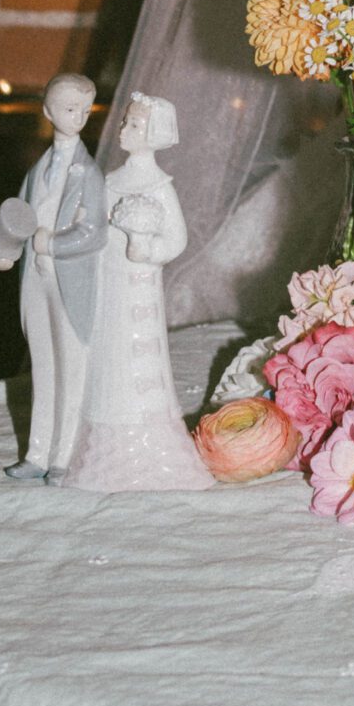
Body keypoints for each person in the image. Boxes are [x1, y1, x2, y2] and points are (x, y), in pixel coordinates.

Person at [63, 92, 213, 492]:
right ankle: (102, 450)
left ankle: (147, 448)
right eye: (126, 122)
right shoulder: (111, 180)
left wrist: (146, 248)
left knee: (139, 357)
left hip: (139, 287)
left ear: (153, 134)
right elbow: (94, 227)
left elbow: (177, 239)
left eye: (133, 124)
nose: (124, 129)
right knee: (108, 354)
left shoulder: (159, 186)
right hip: (109, 282)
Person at [0, 70, 108, 479]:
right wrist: (7, 255)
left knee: (72, 369)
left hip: (71, 283)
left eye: (85, 110)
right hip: (36, 280)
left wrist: (53, 244)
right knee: (43, 368)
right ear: (48, 110)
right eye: (70, 109)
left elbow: (94, 232)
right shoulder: (38, 169)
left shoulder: (90, 174)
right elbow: (22, 219)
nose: (78, 117)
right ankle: (36, 455)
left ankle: (63, 457)